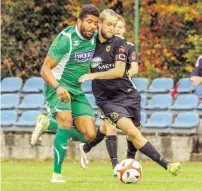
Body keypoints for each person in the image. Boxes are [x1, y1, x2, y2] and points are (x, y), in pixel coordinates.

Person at [78, 8, 181, 177]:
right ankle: (167, 165)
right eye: (109, 25)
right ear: (100, 24)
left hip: (129, 95)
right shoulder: (88, 44)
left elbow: (119, 72)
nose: (112, 28)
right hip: (107, 101)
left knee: (130, 133)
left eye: (115, 25)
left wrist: (93, 75)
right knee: (130, 132)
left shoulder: (121, 44)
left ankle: (123, 161)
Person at [31, 4, 100, 183]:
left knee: (90, 135)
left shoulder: (95, 37)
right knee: (66, 122)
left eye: (96, 23)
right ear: (79, 21)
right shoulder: (66, 39)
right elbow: (45, 69)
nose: (93, 26)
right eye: (89, 22)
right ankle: (56, 174)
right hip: (58, 86)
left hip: (76, 91)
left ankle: (47, 124)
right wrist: (58, 87)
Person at [79, 15, 140, 176]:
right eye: (114, 26)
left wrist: (122, 76)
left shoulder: (128, 46)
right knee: (110, 126)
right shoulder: (102, 45)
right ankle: (116, 166)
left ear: (124, 30)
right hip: (107, 93)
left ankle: (86, 147)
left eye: (120, 27)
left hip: (123, 91)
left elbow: (134, 69)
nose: (116, 29)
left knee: (106, 128)